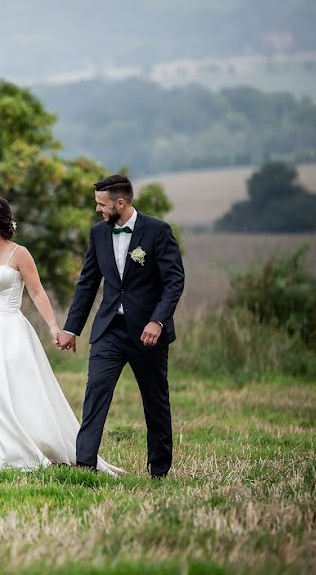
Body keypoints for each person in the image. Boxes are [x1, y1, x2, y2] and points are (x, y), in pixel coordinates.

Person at [0, 196, 124, 474]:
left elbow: (38, 291)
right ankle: (4, 451)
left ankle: (17, 458)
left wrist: (55, 327)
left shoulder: (19, 254)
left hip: (10, 333)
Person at [56, 174, 185, 479]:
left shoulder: (157, 231)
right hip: (109, 330)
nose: (98, 209)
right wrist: (72, 328)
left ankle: (160, 469)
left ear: (121, 202)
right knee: (96, 391)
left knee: (155, 399)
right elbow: (87, 283)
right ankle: (85, 465)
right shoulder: (98, 234)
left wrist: (158, 320)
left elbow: (174, 281)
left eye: (102, 204)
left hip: (147, 333)